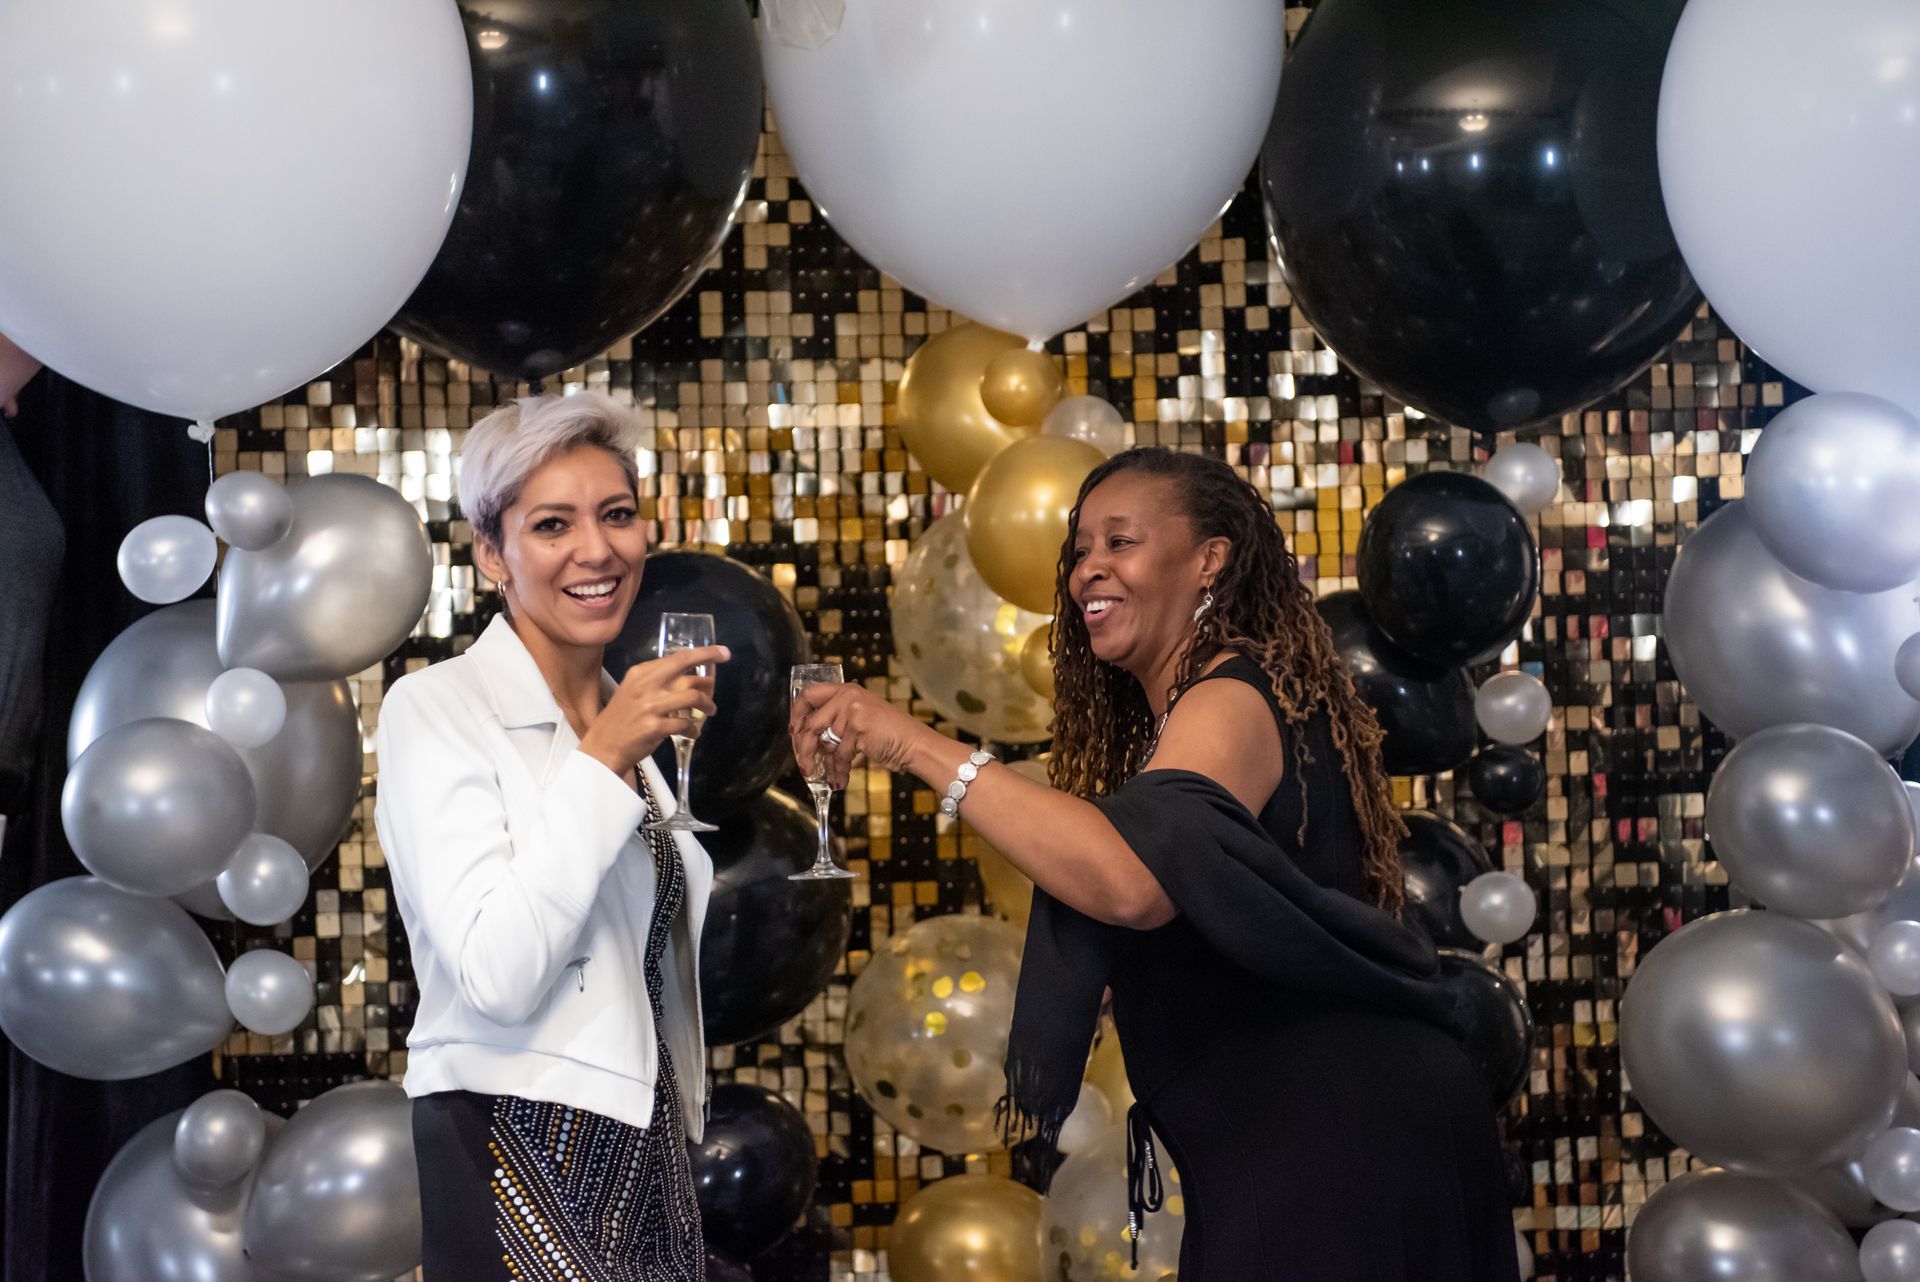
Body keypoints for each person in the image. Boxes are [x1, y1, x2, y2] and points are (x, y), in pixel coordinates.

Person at [794, 447, 1518, 1280]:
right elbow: (1212, 902)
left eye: (1120, 542)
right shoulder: (1199, 713)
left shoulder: (1228, 698)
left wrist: (908, 742)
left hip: (1331, 1139)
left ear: (1210, 559)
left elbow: (1134, 883)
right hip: (1321, 1129)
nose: (1087, 569)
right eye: (1080, 550)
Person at [375, 392, 728, 1282]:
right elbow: (496, 975)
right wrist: (603, 757)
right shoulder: (436, 708)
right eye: (552, 525)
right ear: (492, 553)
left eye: (617, 515)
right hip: (514, 1139)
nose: (596, 550)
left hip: (645, 1137)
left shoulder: (623, 720)